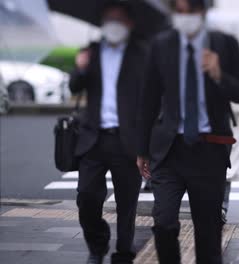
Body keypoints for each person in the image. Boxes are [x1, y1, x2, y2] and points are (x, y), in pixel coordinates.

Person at [136, 0, 239, 263]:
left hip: (209, 151)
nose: (186, 17)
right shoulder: (161, 45)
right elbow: (148, 100)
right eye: (180, 11)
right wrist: (141, 149)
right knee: (163, 223)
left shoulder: (224, 44)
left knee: (208, 234)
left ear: (203, 12)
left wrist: (219, 74)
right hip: (169, 150)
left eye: (191, 11)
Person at [69, 2, 147, 263]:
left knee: (127, 204)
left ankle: (124, 252)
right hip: (94, 139)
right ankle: (97, 244)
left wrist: (146, 145)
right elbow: (74, 86)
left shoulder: (142, 55)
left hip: (128, 141)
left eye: (119, 19)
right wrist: (80, 67)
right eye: (109, 19)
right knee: (87, 197)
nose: (113, 24)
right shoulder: (91, 51)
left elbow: (153, 99)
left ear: (130, 24)